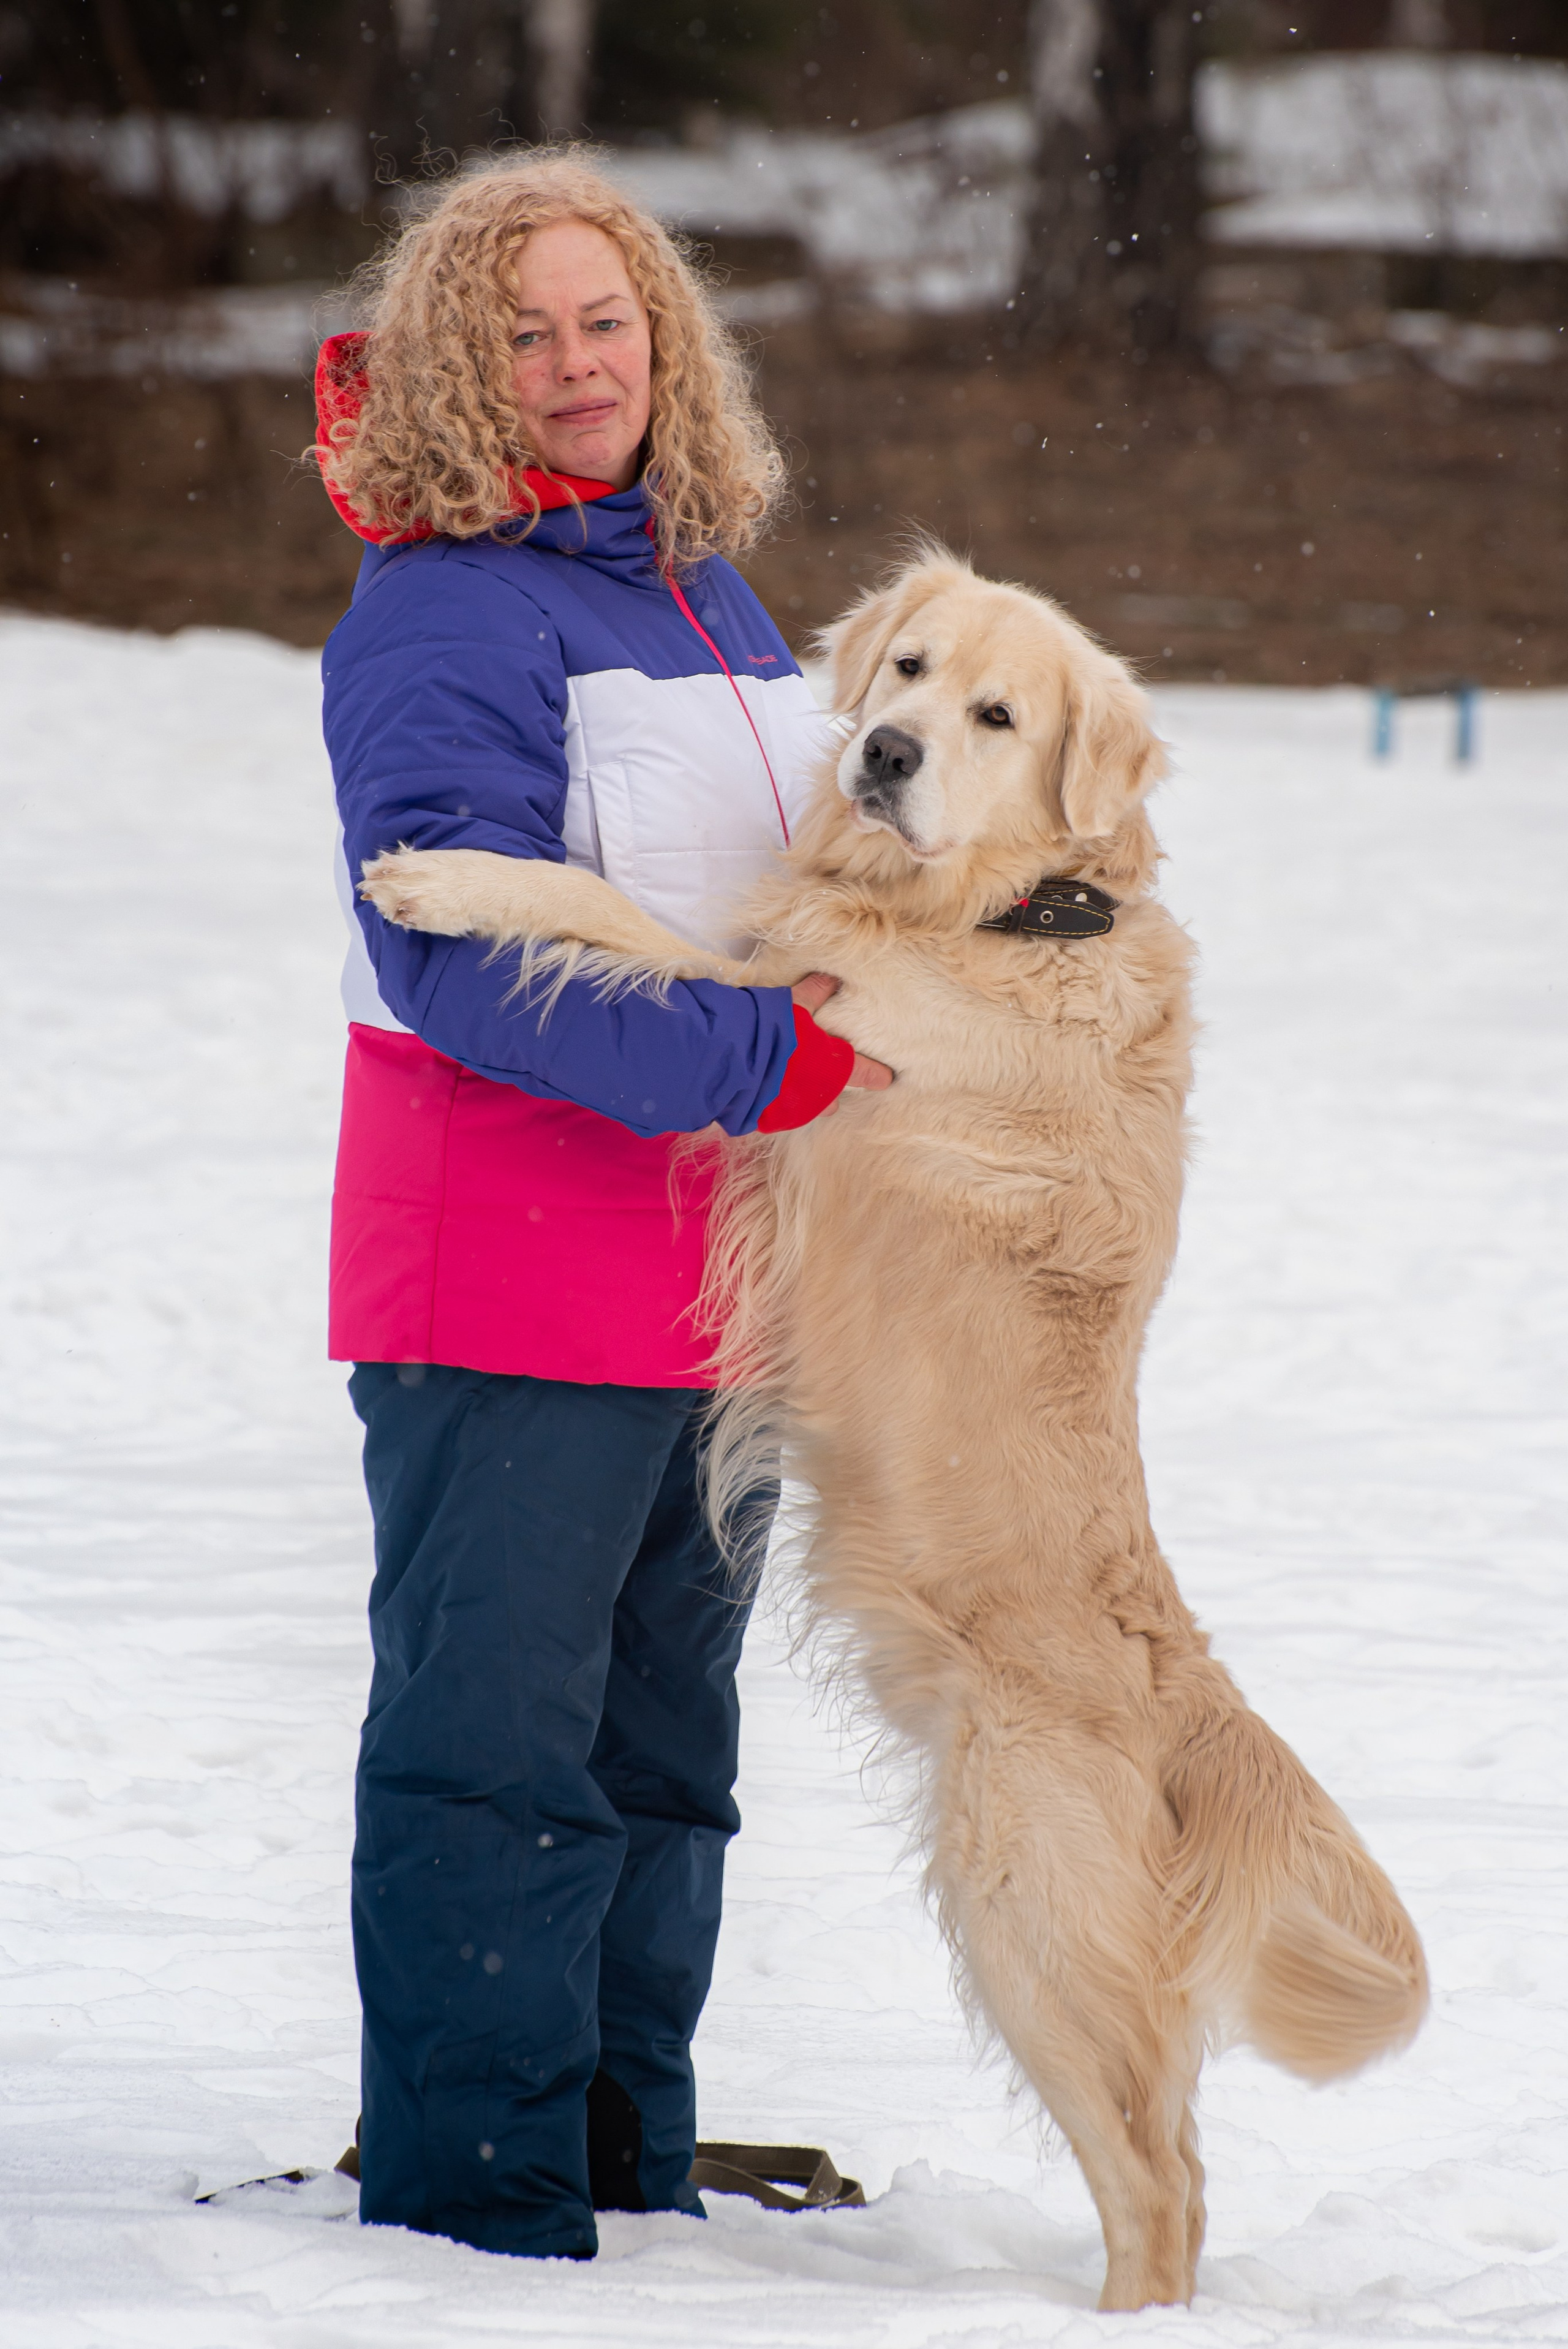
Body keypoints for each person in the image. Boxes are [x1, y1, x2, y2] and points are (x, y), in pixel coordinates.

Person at [313, 150, 891, 2262]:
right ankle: (482, 2202)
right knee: (498, 1761)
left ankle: (629, 2171)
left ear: (668, 341)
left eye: (608, 321)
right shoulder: (444, 605)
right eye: (527, 332)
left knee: (663, 1762)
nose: (578, 366)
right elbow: (461, 955)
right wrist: (771, 1064)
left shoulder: (699, 588)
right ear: (459, 366)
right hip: (508, 1279)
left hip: (715, 1295)